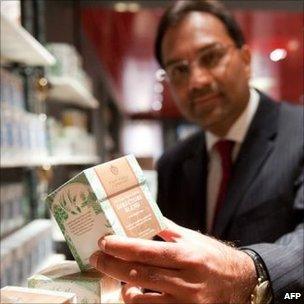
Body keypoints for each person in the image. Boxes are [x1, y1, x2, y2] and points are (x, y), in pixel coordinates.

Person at [89, 1, 304, 303]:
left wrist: (248, 272)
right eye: (179, 69)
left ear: (245, 58)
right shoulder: (173, 164)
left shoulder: (299, 132)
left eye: (211, 57)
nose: (197, 81)